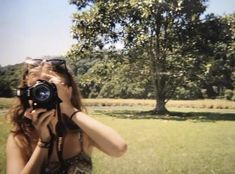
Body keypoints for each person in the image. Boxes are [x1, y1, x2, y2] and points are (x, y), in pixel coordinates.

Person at [6, 57, 127, 174]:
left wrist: (70, 109)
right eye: (35, 88)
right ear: (26, 94)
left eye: (51, 86)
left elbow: (119, 148)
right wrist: (43, 143)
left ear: (67, 92)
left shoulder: (82, 132)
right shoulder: (21, 139)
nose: (43, 93)